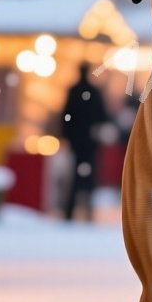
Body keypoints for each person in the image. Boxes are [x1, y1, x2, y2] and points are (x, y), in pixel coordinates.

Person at [59, 62, 109, 222]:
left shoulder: (74, 91)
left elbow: (66, 116)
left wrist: (67, 135)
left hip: (78, 141)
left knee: (75, 176)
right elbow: (101, 115)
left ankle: (71, 211)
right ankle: (87, 211)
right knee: (88, 177)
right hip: (89, 142)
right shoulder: (93, 92)